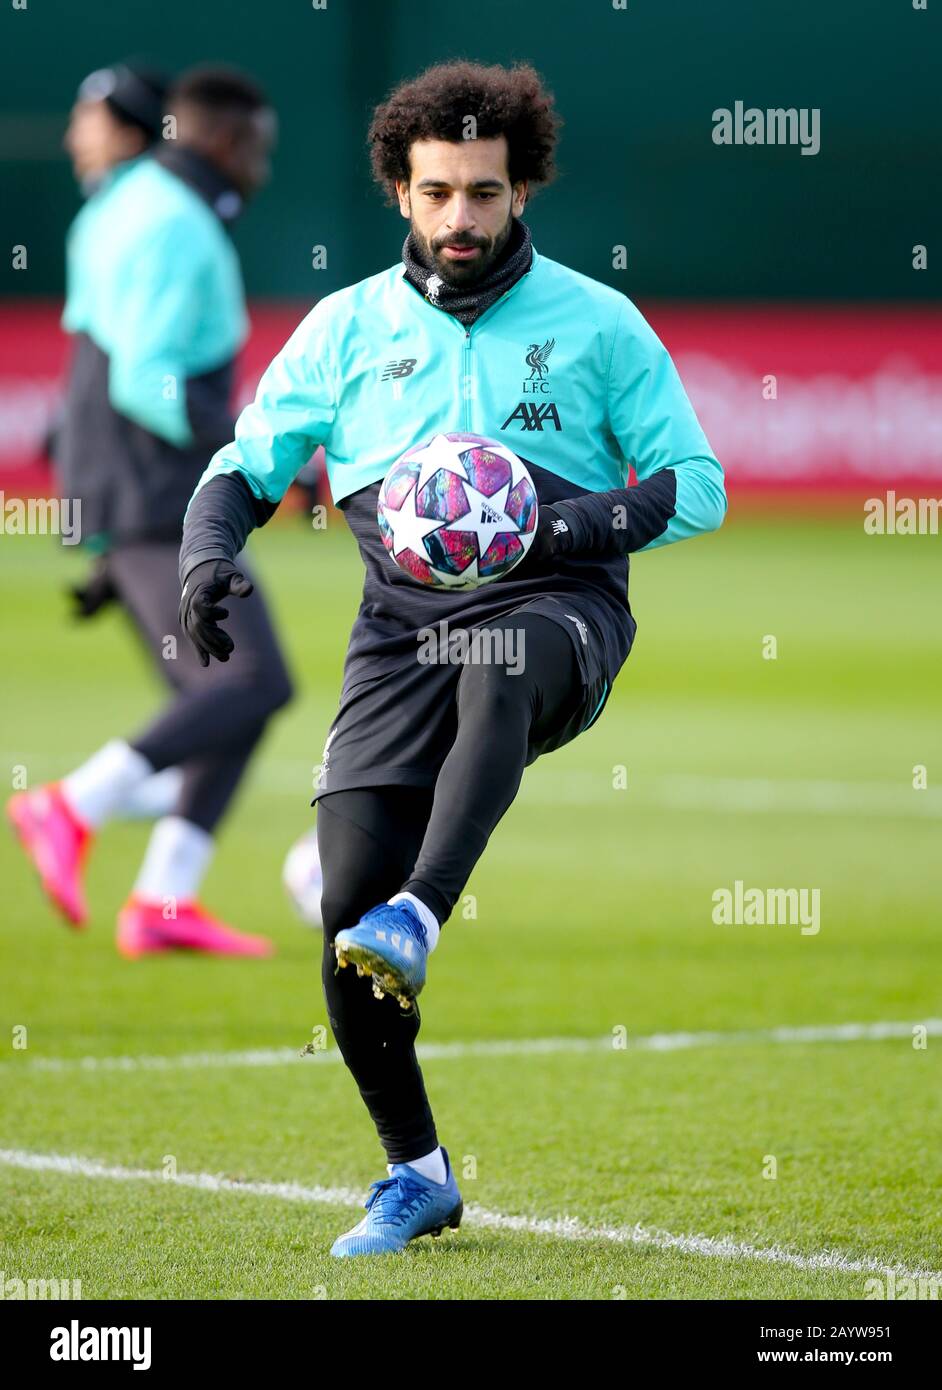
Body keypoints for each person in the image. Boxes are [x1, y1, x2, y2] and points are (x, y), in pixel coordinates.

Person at [178, 60, 726, 1252]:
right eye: (438, 193)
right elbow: (243, 468)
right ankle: (416, 1171)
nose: (461, 218)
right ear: (400, 193)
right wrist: (206, 556)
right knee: (340, 907)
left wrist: (558, 524)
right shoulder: (345, 328)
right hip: (396, 631)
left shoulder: (598, 322)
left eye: (485, 192)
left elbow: (698, 486)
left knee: (498, 657)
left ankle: (425, 912)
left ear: (521, 188)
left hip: (559, 603)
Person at [7, 65, 292, 959]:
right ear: (221, 140)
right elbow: (148, 379)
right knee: (252, 683)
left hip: (116, 483)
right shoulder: (176, 219)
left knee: (227, 701)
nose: (263, 167)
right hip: (154, 484)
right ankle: (71, 806)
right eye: (258, 147)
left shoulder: (120, 206)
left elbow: (96, 357)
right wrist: (257, 453)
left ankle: (164, 904)